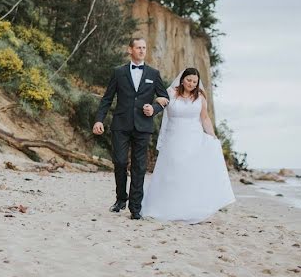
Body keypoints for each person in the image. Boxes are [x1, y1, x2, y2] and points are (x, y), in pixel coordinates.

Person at [142, 67, 235, 224]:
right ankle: (164, 207)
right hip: (173, 138)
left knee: (188, 174)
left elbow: (204, 118)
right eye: (189, 80)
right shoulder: (170, 93)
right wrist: (157, 101)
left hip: (193, 139)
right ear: (182, 79)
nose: (191, 84)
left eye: (195, 81)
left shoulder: (200, 98)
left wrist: (212, 136)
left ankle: (188, 208)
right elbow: (161, 102)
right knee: (171, 172)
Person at [93, 37, 169, 218]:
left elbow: (164, 97)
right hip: (121, 124)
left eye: (144, 47)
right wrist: (99, 120)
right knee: (119, 162)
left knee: (139, 166)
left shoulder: (153, 73)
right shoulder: (118, 72)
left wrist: (154, 108)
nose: (142, 50)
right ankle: (121, 198)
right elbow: (107, 98)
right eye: (138, 47)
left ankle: (135, 208)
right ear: (130, 50)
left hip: (143, 125)